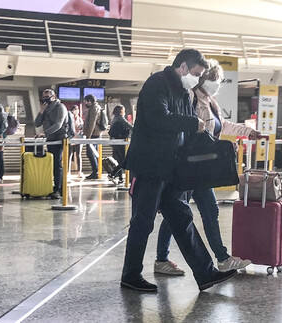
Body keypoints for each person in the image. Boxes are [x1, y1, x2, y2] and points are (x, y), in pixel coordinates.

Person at [121, 48, 237, 293]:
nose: (197, 79)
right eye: (196, 73)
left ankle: (206, 274)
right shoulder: (157, 84)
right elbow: (158, 119)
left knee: (182, 218)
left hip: (171, 169)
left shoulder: (184, 92)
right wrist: (192, 123)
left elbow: (186, 131)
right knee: (143, 222)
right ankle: (131, 275)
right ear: (182, 67)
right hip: (150, 166)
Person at [155, 59, 258, 276]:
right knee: (179, 212)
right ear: (204, 78)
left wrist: (247, 132)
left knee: (206, 211)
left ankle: (221, 258)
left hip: (203, 168)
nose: (218, 84)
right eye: (215, 79)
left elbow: (220, 125)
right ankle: (163, 259)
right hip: (190, 166)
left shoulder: (210, 101)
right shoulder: (190, 97)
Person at [34, 89, 69, 199]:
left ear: (54, 97)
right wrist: (41, 111)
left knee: (57, 164)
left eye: (47, 97)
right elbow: (37, 123)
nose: (45, 99)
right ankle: (56, 187)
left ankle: (59, 189)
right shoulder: (46, 108)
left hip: (59, 139)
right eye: (43, 97)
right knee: (53, 164)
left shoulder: (60, 107)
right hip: (50, 139)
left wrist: (44, 133)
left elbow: (58, 124)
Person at [83, 94, 106, 180]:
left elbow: (92, 123)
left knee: (90, 153)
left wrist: (88, 136)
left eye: (86, 101)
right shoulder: (95, 108)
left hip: (94, 135)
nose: (85, 103)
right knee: (93, 153)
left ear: (90, 101)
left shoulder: (94, 108)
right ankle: (96, 171)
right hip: (95, 134)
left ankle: (95, 171)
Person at [108, 105, 133, 183]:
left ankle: (120, 178)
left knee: (118, 161)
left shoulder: (114, 118)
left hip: (114, 142)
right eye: (124, 110)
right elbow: (131, 127)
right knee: (123, 161)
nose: (124, 112)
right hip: (120, 143)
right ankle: (112, 174)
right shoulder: (121, 118)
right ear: (121, 111)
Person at [69, 105, 84, 177]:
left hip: (79, 138)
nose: (76, 111)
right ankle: (68, 172)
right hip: (71, 139)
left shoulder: (80, 119)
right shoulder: (69, 118)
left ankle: (79, 172)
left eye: (77, 109)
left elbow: (82, 128)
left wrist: (80, 128)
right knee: (69, 155)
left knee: (78, 155)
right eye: (75, 109)